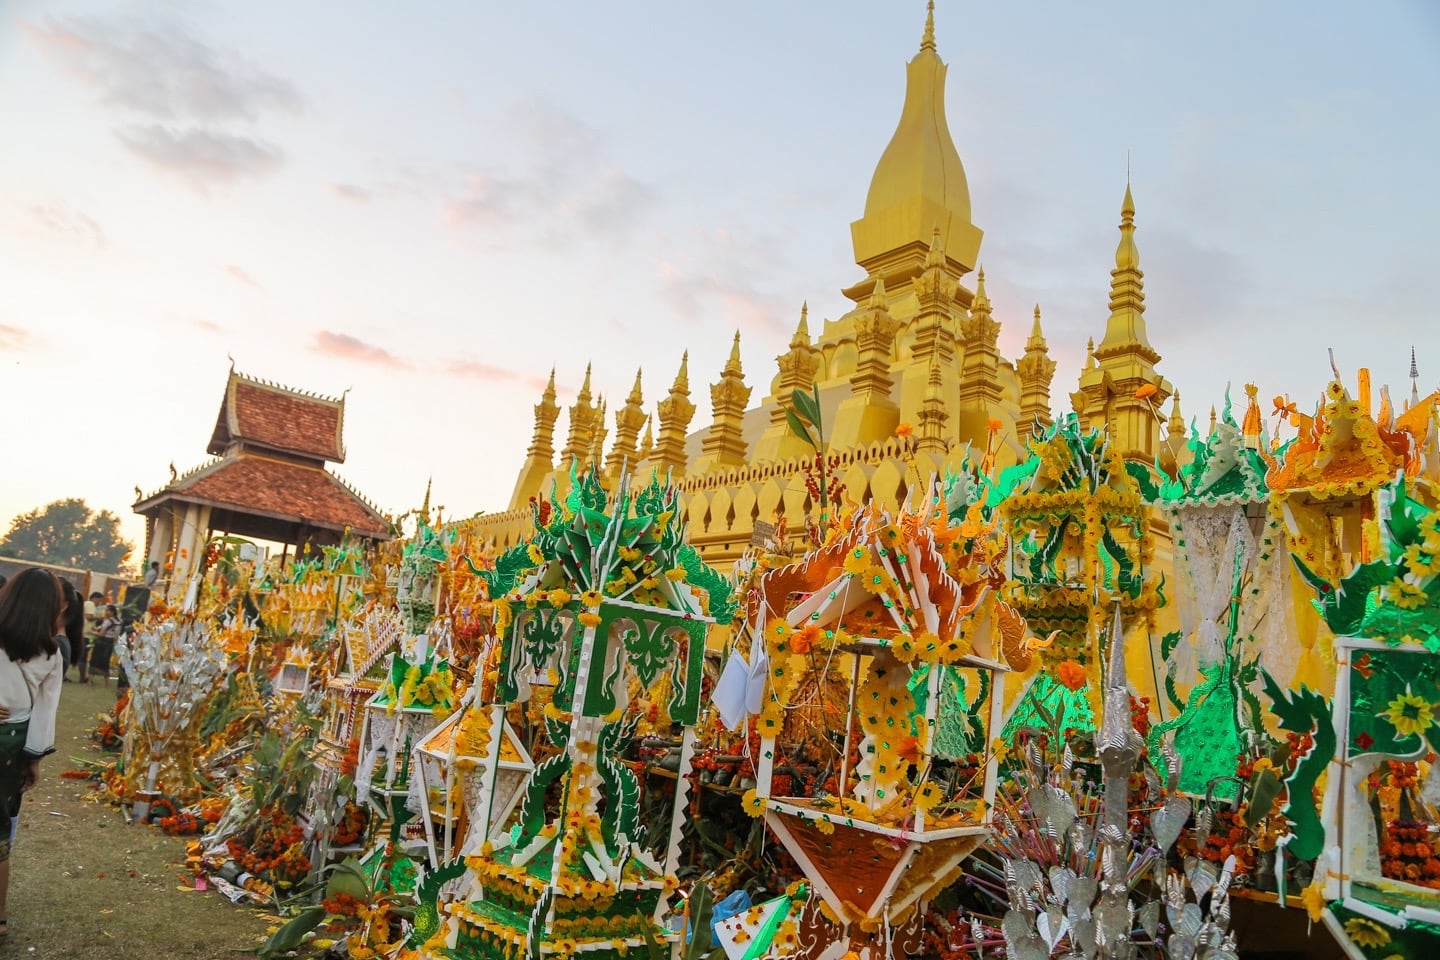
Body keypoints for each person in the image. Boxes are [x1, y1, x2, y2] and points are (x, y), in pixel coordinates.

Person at [0, 568, 65, 941]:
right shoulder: (50, 653)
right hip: (11, 744)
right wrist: (34, 758)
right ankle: (0, 918)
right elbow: (45, 710)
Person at [90, 604, 121, 685]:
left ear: (112, 612)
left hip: (102, 643)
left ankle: (90, 680)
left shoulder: (107, 621)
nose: (106, 612)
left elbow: (101, 634)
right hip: (110, 644)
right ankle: (106, 682)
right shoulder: (118, 622)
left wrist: (92, 632)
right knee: (106, 662)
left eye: (107, 610)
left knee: (95, 661)